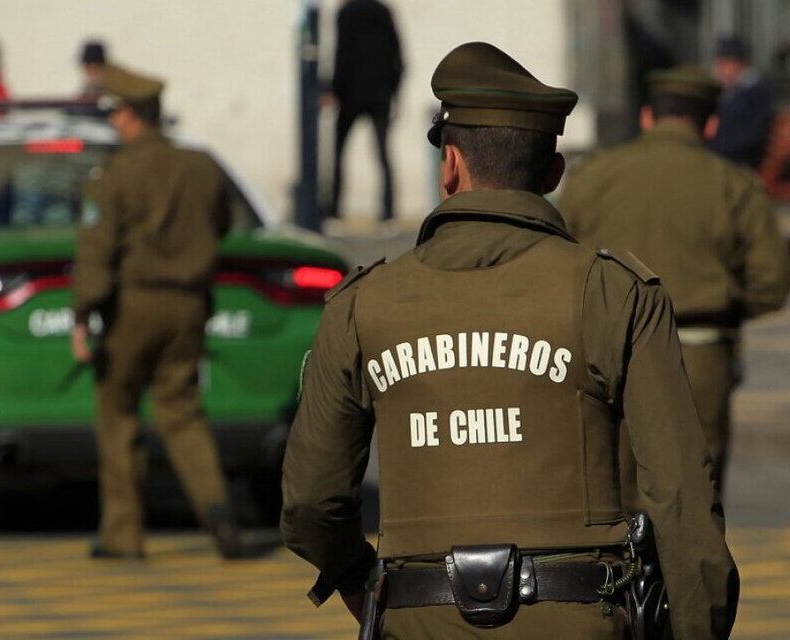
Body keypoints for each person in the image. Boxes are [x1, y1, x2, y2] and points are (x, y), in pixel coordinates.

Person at [281, 43, 738, 639]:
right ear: (552, 174)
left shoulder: (361, 305)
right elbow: (680, 495)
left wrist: (363, 583)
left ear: (449, 165)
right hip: (582, 619)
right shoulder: (612, 292)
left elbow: (310, 502)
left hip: (421, 620)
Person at [560, 65, 790, 496]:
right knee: (692, 500)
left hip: (607, 355)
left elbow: (557, 258)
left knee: (612, 497)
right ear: (711, 123)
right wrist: (723, 303)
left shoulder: (592, 176)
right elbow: (771, 284)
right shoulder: (732, 184)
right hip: (698, 356)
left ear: (647, 117)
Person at [71, 63, 245, 559]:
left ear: (130, 116)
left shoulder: (114, 174)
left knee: (118, 412)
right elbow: (223, 223)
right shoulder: (200, 165)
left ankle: (123, 534)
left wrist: (82, 315)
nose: (113, 122)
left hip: (133, 304)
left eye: (116, 113)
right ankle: (217, 510)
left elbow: (96, 251)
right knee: (182, 411)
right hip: (189, 304)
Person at [328, 0, 404, 224]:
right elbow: (398, 58)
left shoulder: (345, 14)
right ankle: (388, 212)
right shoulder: (384, 12)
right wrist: (393, 92)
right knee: (383, 154)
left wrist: (335, 90)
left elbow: (342, 55)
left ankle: (334, 211)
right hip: (380, 95)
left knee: (338, 154)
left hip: (350, 95)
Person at [709, 35, 774, 169]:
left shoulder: (755, 92)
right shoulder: (727, 91)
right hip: (723, 157)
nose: (720, 69)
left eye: (725, 63)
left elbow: (754, 135)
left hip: (741, 162)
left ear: (739, 63)